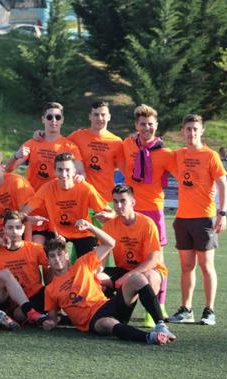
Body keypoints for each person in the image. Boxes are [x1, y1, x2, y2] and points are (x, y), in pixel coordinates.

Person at [41, 222, 176, 345]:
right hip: (93, 321)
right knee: (107, 323)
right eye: (52, 256)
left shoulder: (82, 264)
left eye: (59, 254)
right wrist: (50, 323)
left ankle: (161, 325)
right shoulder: (50, 289)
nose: (57, 259)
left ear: (66, 255)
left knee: (137, 278)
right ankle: (150, 337)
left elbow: (110, 243)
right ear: (47, 260)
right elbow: (53, 318)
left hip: (107, 305)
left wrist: (91, 227)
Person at [167, 114, 227, 326]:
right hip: (182, 218)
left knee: (206, 265)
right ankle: (186, 309)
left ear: (201, 131)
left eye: (195, 129)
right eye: (188, 129)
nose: (191, 133)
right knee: (186, 266)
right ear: (182, 132)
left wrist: (222, 213)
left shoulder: (210, 156)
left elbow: (222, 185)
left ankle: (209, 310)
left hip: (204, 219)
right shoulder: (178, 154)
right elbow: (157, 154)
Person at [119, 104, 174, 320]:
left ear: (156, 125)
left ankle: (158, 307)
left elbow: (184, 173)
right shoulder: (127, 144)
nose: (146, 128)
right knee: (129, 256)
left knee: (157, 260)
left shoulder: (166, 153)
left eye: (150, 124)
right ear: (136, 125)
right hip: (131, 211)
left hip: (153, 210)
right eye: (143, 124)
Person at [22, 152, 114, 260]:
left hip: (82, 232)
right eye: (60, 170)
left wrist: (108, 216)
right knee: (53, 263)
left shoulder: (86, 188)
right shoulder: (47, 188)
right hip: (56, 232)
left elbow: (111, 212)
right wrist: (29, 218)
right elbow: (23, 212)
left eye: (67, 170)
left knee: (89, 265)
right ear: (54, 171)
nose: (64, 174)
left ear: (74, 171)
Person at [99, 184, 168, 319]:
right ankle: (112, 311)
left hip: (148, 270)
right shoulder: (109, 226)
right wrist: (97, 273)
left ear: (132, 202)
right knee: (96, 278)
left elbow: (152, 261)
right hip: (123, 269)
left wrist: (129, 276)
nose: (118, 205)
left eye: (123, 201)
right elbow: (101, 257)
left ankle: (152, 315)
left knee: (148, 277)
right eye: (115, 201)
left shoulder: (147, 224)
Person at [0, 211, 50, 317]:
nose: (14, 231)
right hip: (11, 303)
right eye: (10, 228)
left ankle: (51, 311)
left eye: (18, 227)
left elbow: (49, 269)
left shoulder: (36, 248)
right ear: (4, 229)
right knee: (18, 314)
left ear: (23, 229)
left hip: (35, 295)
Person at [6, 102, 84, 191]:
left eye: (57, 117)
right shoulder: (32, 143)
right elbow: (8, 169)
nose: (53, 120)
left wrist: (80, 176)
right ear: (43, 119)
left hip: (56, 198)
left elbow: (81, 172)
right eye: (49, 117)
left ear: (62, 120)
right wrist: (15, 156)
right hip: (33, 196)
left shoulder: (70, 147)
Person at [67, 100, 123, 203]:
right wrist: (42, 134)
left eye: (103, 115)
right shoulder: (77, 136)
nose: (100, 118)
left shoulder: (117, 142)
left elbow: (124, 167)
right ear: (90, 116)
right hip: (81, 197)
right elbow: (58, 144)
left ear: (109, 117)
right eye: (96, 114)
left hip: (105, 198)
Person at [0, 148, 35, 227]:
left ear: (2, 166)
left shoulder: (17, 182)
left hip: (33, 224)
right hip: (12, 226)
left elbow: (25, 213)